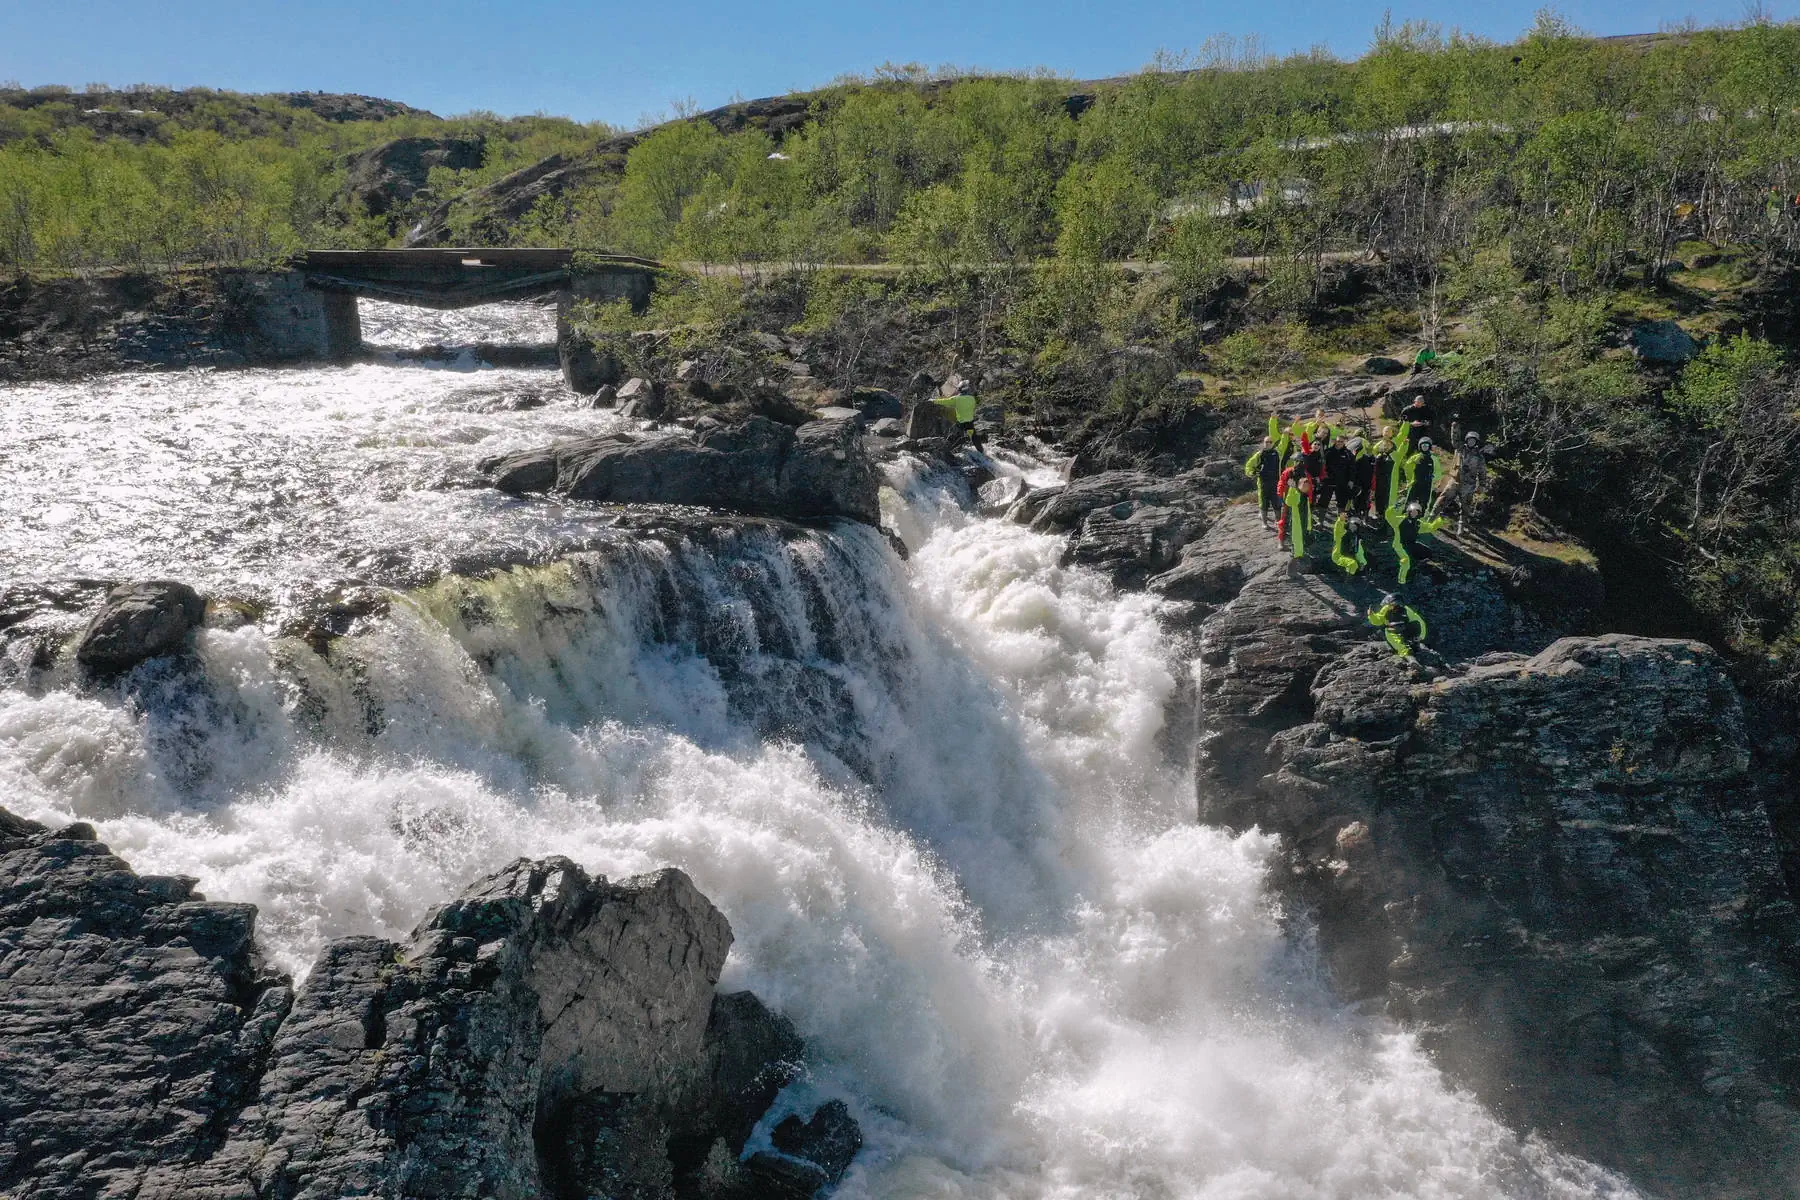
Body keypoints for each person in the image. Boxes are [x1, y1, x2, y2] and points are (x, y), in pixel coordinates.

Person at [1387, 499, 1447, 585]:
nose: (1414, 514)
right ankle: (1401, 582)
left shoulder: (1418, 523)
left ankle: (1417, 567)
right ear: (1408, 512)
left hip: (1411, 544)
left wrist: (1441, 519)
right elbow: (1389, 515)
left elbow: (1430, 528)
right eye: (1412, 512)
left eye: (1416, 512)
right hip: (1399, 546)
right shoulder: (1399, 520)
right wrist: (1394, 507)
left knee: (1428, 552)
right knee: (1405, 562)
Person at [1445, 432, 1488, 534]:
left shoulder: (1479, 456)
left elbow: (1482, 471)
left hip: (1469, 484)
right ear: (1466, 440)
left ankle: (1461, 526)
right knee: (1444, 498)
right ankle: (1432, 518)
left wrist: (1482, 485)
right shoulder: (1460, 449)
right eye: (1469, 440)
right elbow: (1454, 440)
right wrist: (1454, 427)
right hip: (1456, 480)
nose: (1471, 442)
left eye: (1473, 440)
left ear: (1476, 442)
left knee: (1465, 507)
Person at [1367, 592, 1428, 658]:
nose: (1395, 605)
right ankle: (1405, 651)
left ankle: (1411, 648)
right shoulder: (1386, 609)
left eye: (1396, 603)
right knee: (1388, 631)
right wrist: (1371, 615)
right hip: (1396, 630)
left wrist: (1420, 637)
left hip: (1407, 631)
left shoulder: (1406, 610)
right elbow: (1378, 621)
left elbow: (1419, 622)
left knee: (1392, 630)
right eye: (1393, 604)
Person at [931, 384, 984, 452]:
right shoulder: (972, 399)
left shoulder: (956, 399)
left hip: (960, 423)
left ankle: (951, 451)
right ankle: (981, 451)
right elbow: (978, 401)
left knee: (954, 437)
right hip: (970, 423)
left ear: (960, 391)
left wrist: (933, 400)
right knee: (974, 438)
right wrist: (976, 394)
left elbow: (944, 401)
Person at [1276, 464, 1314, 557]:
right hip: (1289, 499)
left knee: (1303, 523)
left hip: (1301, 500)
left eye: (1301, 461)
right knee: (1284, 522)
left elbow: (1309, 487)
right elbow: (1281, 483)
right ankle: (1281, 542)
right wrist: (1281, 496)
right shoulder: (1288, 472)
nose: (1299, 463)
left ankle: (1301, 545)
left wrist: (1310, 499)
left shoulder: (1306, 473)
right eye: (1297, 461)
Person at [1244, 436, 1283, 525]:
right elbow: (1249, 465)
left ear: (1273, 443)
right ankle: (1264, 523)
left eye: (1270, 442)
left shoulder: (1277, 453)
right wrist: (1251, 473)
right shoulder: (1259, 454)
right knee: (1263, 503)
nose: (1268, 443)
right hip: (1263, 482)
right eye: (1266, 442)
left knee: (1277, 503)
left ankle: (1278, 522)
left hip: (1276, 482)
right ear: (1263, 443)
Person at [1322, 435, 1355, 521]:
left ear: (1344, 442)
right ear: (1334, 441)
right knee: (1324, 501)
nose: (1339, 443)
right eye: (1338, 441)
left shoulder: (1348, 453)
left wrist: (1351, 480)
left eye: (1341, 441)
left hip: (1342, 481)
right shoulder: (1328, 451)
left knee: (1342, 503)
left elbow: (1352, 468)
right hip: (1329, 480)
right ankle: (1320, 521)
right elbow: (1322, 465)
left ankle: (1341, 523)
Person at [1346, 437, 1376, 518]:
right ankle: (1360, 513)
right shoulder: (1362, 446)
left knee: (1356, 496)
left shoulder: (1353, 443)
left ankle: (1354, 512)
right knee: (1362, 497)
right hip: (1364, 477)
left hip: (1360, 477)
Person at [1404, 436, 1436, 512]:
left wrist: (1434, 478)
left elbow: (1438, 471)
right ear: (1420, 447)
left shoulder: (1433, 459)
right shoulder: (1415, 457)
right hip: (1416, 482)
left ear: (1430, 447)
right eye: (1423, 446)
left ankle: (1421, 516)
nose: (1425, 447)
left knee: (1424, 501)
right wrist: (1410, 478)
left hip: (1427, 484)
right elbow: (1407, 467)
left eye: (1427, 446)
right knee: (1411, 499)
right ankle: (1406, 514)